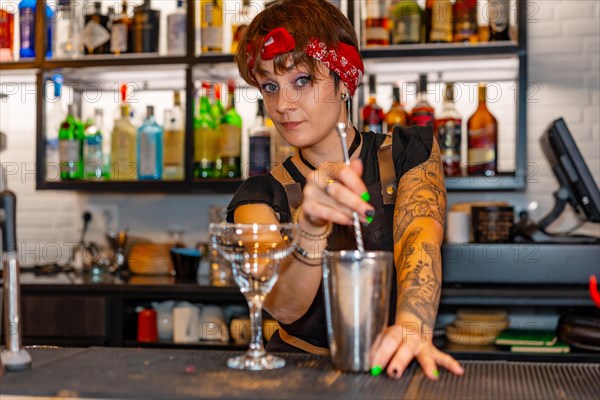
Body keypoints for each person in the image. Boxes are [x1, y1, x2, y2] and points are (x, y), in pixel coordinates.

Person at [227, 0, 464, 380]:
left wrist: (412, 323)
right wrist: (311, 227)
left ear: (344, 79)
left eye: (302, 81)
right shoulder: (260, 194)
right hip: (294, 376)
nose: (282, 105)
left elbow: (419, 235)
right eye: (270, 86)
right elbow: (284, 307)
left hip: (394, 362)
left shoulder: (407, 152)